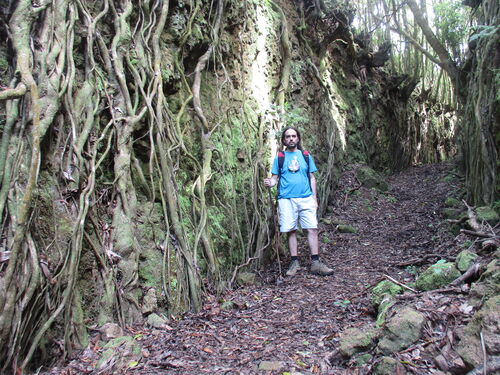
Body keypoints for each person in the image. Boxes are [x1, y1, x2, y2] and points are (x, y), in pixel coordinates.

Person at [264, 127, 334, 276]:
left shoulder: (306, 156)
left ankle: (315, 262)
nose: (291, 138)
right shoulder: (280, 157)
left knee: (312, 228)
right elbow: (275, 178)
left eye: (293, 136)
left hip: (306, 197)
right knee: (291, 230)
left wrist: (314, 199)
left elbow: (312, 177)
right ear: (284, 140)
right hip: (286, 199)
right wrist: (271, 182)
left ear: (298, 138)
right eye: (288, 136)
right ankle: (294, 262)